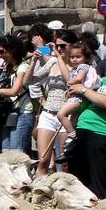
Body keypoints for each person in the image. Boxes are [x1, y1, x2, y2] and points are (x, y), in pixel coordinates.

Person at [31, 30, 77, 174]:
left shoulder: (78, 63)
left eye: (63, 46)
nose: (59, 49)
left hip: (66, 116)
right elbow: (32, 79)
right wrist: (38, 53)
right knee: (43, 160)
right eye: (57, 46)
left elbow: (69, 79)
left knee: (64, 164)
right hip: (48, 113)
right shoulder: (53, 59)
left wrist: (45, 48)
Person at [0, 34, 35, 154]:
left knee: (16, 151)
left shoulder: (23, 67)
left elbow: (14, 91)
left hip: (23, 112)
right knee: (5, 150)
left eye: (2, 51)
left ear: (12, 50)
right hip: (10, 112)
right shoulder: (9, 68)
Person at [57, 41, 101, 155]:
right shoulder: (74, 68)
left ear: (85, 57)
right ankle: (72, 139)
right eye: (72, 57)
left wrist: (70, 82)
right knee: (72, 120)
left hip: (79, 98)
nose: (74, 59)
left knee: (61, 114)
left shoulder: (83, 66)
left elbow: (78, 78)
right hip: (76, 97)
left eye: (78, 56)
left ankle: (72, 135)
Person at [67, 75, 106, 197]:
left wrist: (83, 90)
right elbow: (87, 100)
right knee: (80, 177)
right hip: (82, 128)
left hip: (100, 132)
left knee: (98, 180)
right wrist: (73, 96)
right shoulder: (101, 80)